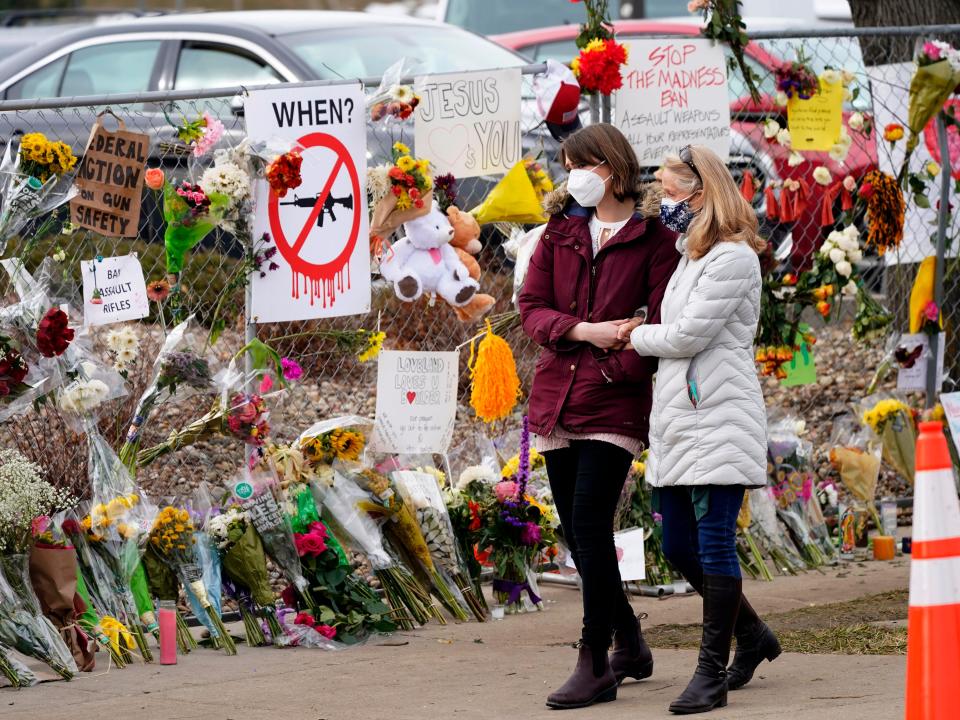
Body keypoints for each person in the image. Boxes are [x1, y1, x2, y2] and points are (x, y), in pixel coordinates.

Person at [518, 123, 681, 710]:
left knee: (588, 521)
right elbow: (531, 308)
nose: (571, 177)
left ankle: (595, 659)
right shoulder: (560, 232)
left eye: (577, 165)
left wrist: (624, 353)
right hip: (559, 394)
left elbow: (660, 318)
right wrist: (584, 331)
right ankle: (632, 642)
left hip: (613, 398)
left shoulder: (654, 239)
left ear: (609, 168)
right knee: (575, 529)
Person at [619, 144, 779, 715]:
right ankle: (754, 635)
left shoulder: (732, 258)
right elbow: (677, 330)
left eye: (670, 187)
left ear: (703, 190)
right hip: (683, 417)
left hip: (718, 414)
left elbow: (687, 336)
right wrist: (645, 329)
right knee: (678, 543)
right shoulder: (692, 255)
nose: (662, 199)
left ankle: (709, 672)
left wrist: (632, 335)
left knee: (712, 542)